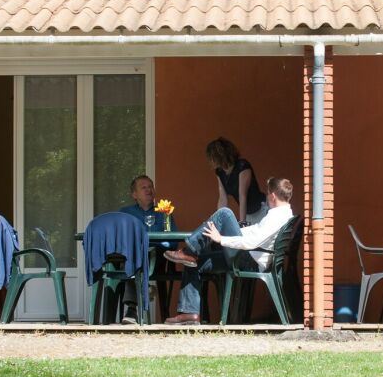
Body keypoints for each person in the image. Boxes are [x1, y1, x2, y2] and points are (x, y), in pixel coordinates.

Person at [162, 177, 294, 325]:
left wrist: (221, 239)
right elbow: (257, 231)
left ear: (273, 196)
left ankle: (189, 250)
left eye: (267, 193)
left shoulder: (276, 217)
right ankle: (189, 313)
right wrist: (236, 229)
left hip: (248, 261)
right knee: (194, 261)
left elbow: (252, 242)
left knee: (224, 213)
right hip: (250, 257)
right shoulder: (284, 214)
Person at [118, 174, 175, 323]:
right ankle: (140, 296)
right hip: (132, 257)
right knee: (132, 257)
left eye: (151, 187)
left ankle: (132, 309)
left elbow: (173, 241)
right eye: (144, 187)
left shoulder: (164, 212)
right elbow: (119, 238)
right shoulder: (125, 213)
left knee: (136, 259)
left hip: (157, 261)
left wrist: (157, 244)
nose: (149, 190)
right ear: (134, 194)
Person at [206, 137, 266, 224]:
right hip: (248, 213)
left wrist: (242, 222)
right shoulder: (220, 172)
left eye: (212, 158)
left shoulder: (242, 166)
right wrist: (217, 221)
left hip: (261, 210)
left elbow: (243, 196)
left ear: (219, 156)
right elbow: (223, 198)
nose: (210, 161)